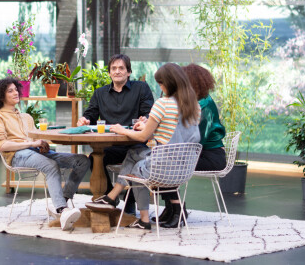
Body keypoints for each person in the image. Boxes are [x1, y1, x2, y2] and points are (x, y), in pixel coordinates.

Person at [85, 63, 201, 230]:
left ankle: (143, 219)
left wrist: (120, 129)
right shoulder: (193, 105)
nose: (160, 87)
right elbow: (172, 134)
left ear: (166, 83)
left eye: (160, 83)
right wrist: (148, 129)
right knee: (134, 151)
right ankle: (112, 197)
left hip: (162, 166)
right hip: (184, 166)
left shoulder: (163, 104)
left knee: (137, 169)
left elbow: (142, 137)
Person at [0, 77, 90, 231]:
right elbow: (2, 145)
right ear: (1, 96)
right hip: (16, 155)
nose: (16, 93)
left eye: (16, 89)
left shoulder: (26, 117)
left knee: (82, 160)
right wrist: (31, 143)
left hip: (35, 152)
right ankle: (62, 210)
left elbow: (35, 138)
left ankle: (63, 201)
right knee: (51, 165)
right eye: (10, 91)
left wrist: (41, 142)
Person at [76, 54, 154, 214]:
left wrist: (145, 119)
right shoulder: (100, 93)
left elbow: (149, 113)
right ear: (110, 73)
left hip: (135, 143)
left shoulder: (141, 88)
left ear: (128, 72)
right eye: (114, 68)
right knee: (95, 159)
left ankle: (130, 200)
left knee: (138, 164)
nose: (117, 71)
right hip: (110, 146)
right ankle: (110, 196)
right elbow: (90, 114)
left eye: (121, 68)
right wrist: (84, 119)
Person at [156, 63, 226, 228]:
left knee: (167, 162)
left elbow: (197, 139)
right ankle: (171, 208)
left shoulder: (204, 104)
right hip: (196, 152)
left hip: (211, 156)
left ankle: (178, 209)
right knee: (162, 159)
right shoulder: (191, 101)